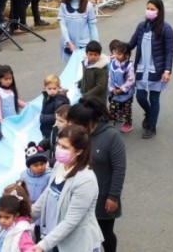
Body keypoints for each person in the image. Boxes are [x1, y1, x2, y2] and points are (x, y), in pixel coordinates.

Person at [30, 124, 104, 252]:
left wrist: (43, 245)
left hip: (75, 245)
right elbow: (48, 193)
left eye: (64, 147)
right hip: (54, 239)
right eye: (58, 144)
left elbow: (71, 221)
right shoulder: (60, 165)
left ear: (79, 151)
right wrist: (27, 215)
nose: (59, 149)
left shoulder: (85, 180)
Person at [66, 100, 126, 252]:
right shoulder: (78, 136)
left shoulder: (111, 136)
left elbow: (119, 168)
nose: (72, 127)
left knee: (104, 234)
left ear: (90, 123)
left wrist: (113, 196)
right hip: (79, 194)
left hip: (103, 199)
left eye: (76, 124)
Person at [126, 0, 173, 139]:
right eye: (148, 8)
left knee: (154, 99)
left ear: (159, 11)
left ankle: (152, 127)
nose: (149, 11)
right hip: (141, 67)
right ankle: (149, 113)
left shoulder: (166, 29)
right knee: (140, 96)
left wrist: (167, 71)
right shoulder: (142, 26)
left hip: (157, 70)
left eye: (153, 9)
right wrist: (118, 52)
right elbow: (131, 44)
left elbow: (169, 51)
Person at [0, 182, 37, 252]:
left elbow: (28, 247)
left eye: (7, 217)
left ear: (16, 215)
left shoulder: (20, 229)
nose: (2, 221)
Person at [57, 0, 98, 64]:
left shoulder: (88, 5)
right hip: (68, 45)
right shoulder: (63, 5)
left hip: (84, 45)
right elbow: (63, 25)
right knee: (70, 73)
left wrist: (96, 46)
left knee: (83, 73)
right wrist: (69, 42)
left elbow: (93, 27)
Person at [20, 144, 52, 232]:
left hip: (43, 215)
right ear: (29, 166)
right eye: (36, 165)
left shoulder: (49, 176)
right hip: (28, 213)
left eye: (42, 164)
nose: (40, 167)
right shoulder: (24, 175)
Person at [107, 40, 136, 133]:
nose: (116, 56)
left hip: (126, 93)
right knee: (113, 107)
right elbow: (110, 76)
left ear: (126, 55)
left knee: (126, 109)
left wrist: (122, 89)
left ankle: (128, 123)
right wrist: (111, 88)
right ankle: (111, 123)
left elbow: (131, 80)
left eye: (119, 54)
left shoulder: (129, 66)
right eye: (116, 53)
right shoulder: (113, 64)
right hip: (115, 91)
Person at [78, 40, 109, 106]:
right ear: (86, 54)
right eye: (90, 54)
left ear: (99, 55)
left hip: (97, 100)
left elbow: (100, 86)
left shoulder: (101, 69)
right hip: (87, 98)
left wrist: (86, 95)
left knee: (97, 115)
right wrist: (79, 83)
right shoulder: (85, 64)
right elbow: (86, 77)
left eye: (95, 55)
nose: (93, 57)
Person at [39, 74, 69, 140]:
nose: (52, 91)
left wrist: (43, 118)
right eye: (49, 89)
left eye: (54, 88)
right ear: (45, 88)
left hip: (54, 130)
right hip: (46, 129)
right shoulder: (47, 97)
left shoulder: (60, 100)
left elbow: (59, 116)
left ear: (59, 88)